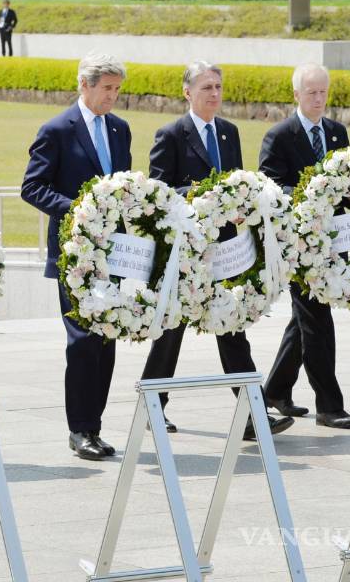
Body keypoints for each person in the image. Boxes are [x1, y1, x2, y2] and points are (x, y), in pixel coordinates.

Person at [143, 60, 293, 440]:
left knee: (232, 328)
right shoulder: (170, 134)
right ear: (187, 92)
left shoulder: (229, 132)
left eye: (218, 87)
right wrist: (204, 196)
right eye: (206, 87)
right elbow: (160, 191)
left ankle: (253, 415)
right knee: (171, 332)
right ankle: (153, 407)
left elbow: (237, 184)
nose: (214, 94)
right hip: (186, 252)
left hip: (226, 250)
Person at [21, 55, 131, 460]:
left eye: (117, 89)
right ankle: (79, 429)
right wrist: (80, 210)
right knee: (83, 341)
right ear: (85, 84)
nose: (113, 96)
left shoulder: (120, 129)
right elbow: (33, 187)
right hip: (74, 254)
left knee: (106, 339)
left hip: (114, 253)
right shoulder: (56, 130)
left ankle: (94, 426)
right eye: (107, 88)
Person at [260, 64, 350, 429]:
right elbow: (271, 187)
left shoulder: (336, 132)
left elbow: (345, 185)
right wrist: (312, 194)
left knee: (303, 321)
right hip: (298, 245)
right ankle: (329, 407)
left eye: (323, 92)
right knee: (317, 320)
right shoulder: (279, 136)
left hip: (334, 242)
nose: (318, 99)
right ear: (296, 95)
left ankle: (275, 391)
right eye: (311, 92)